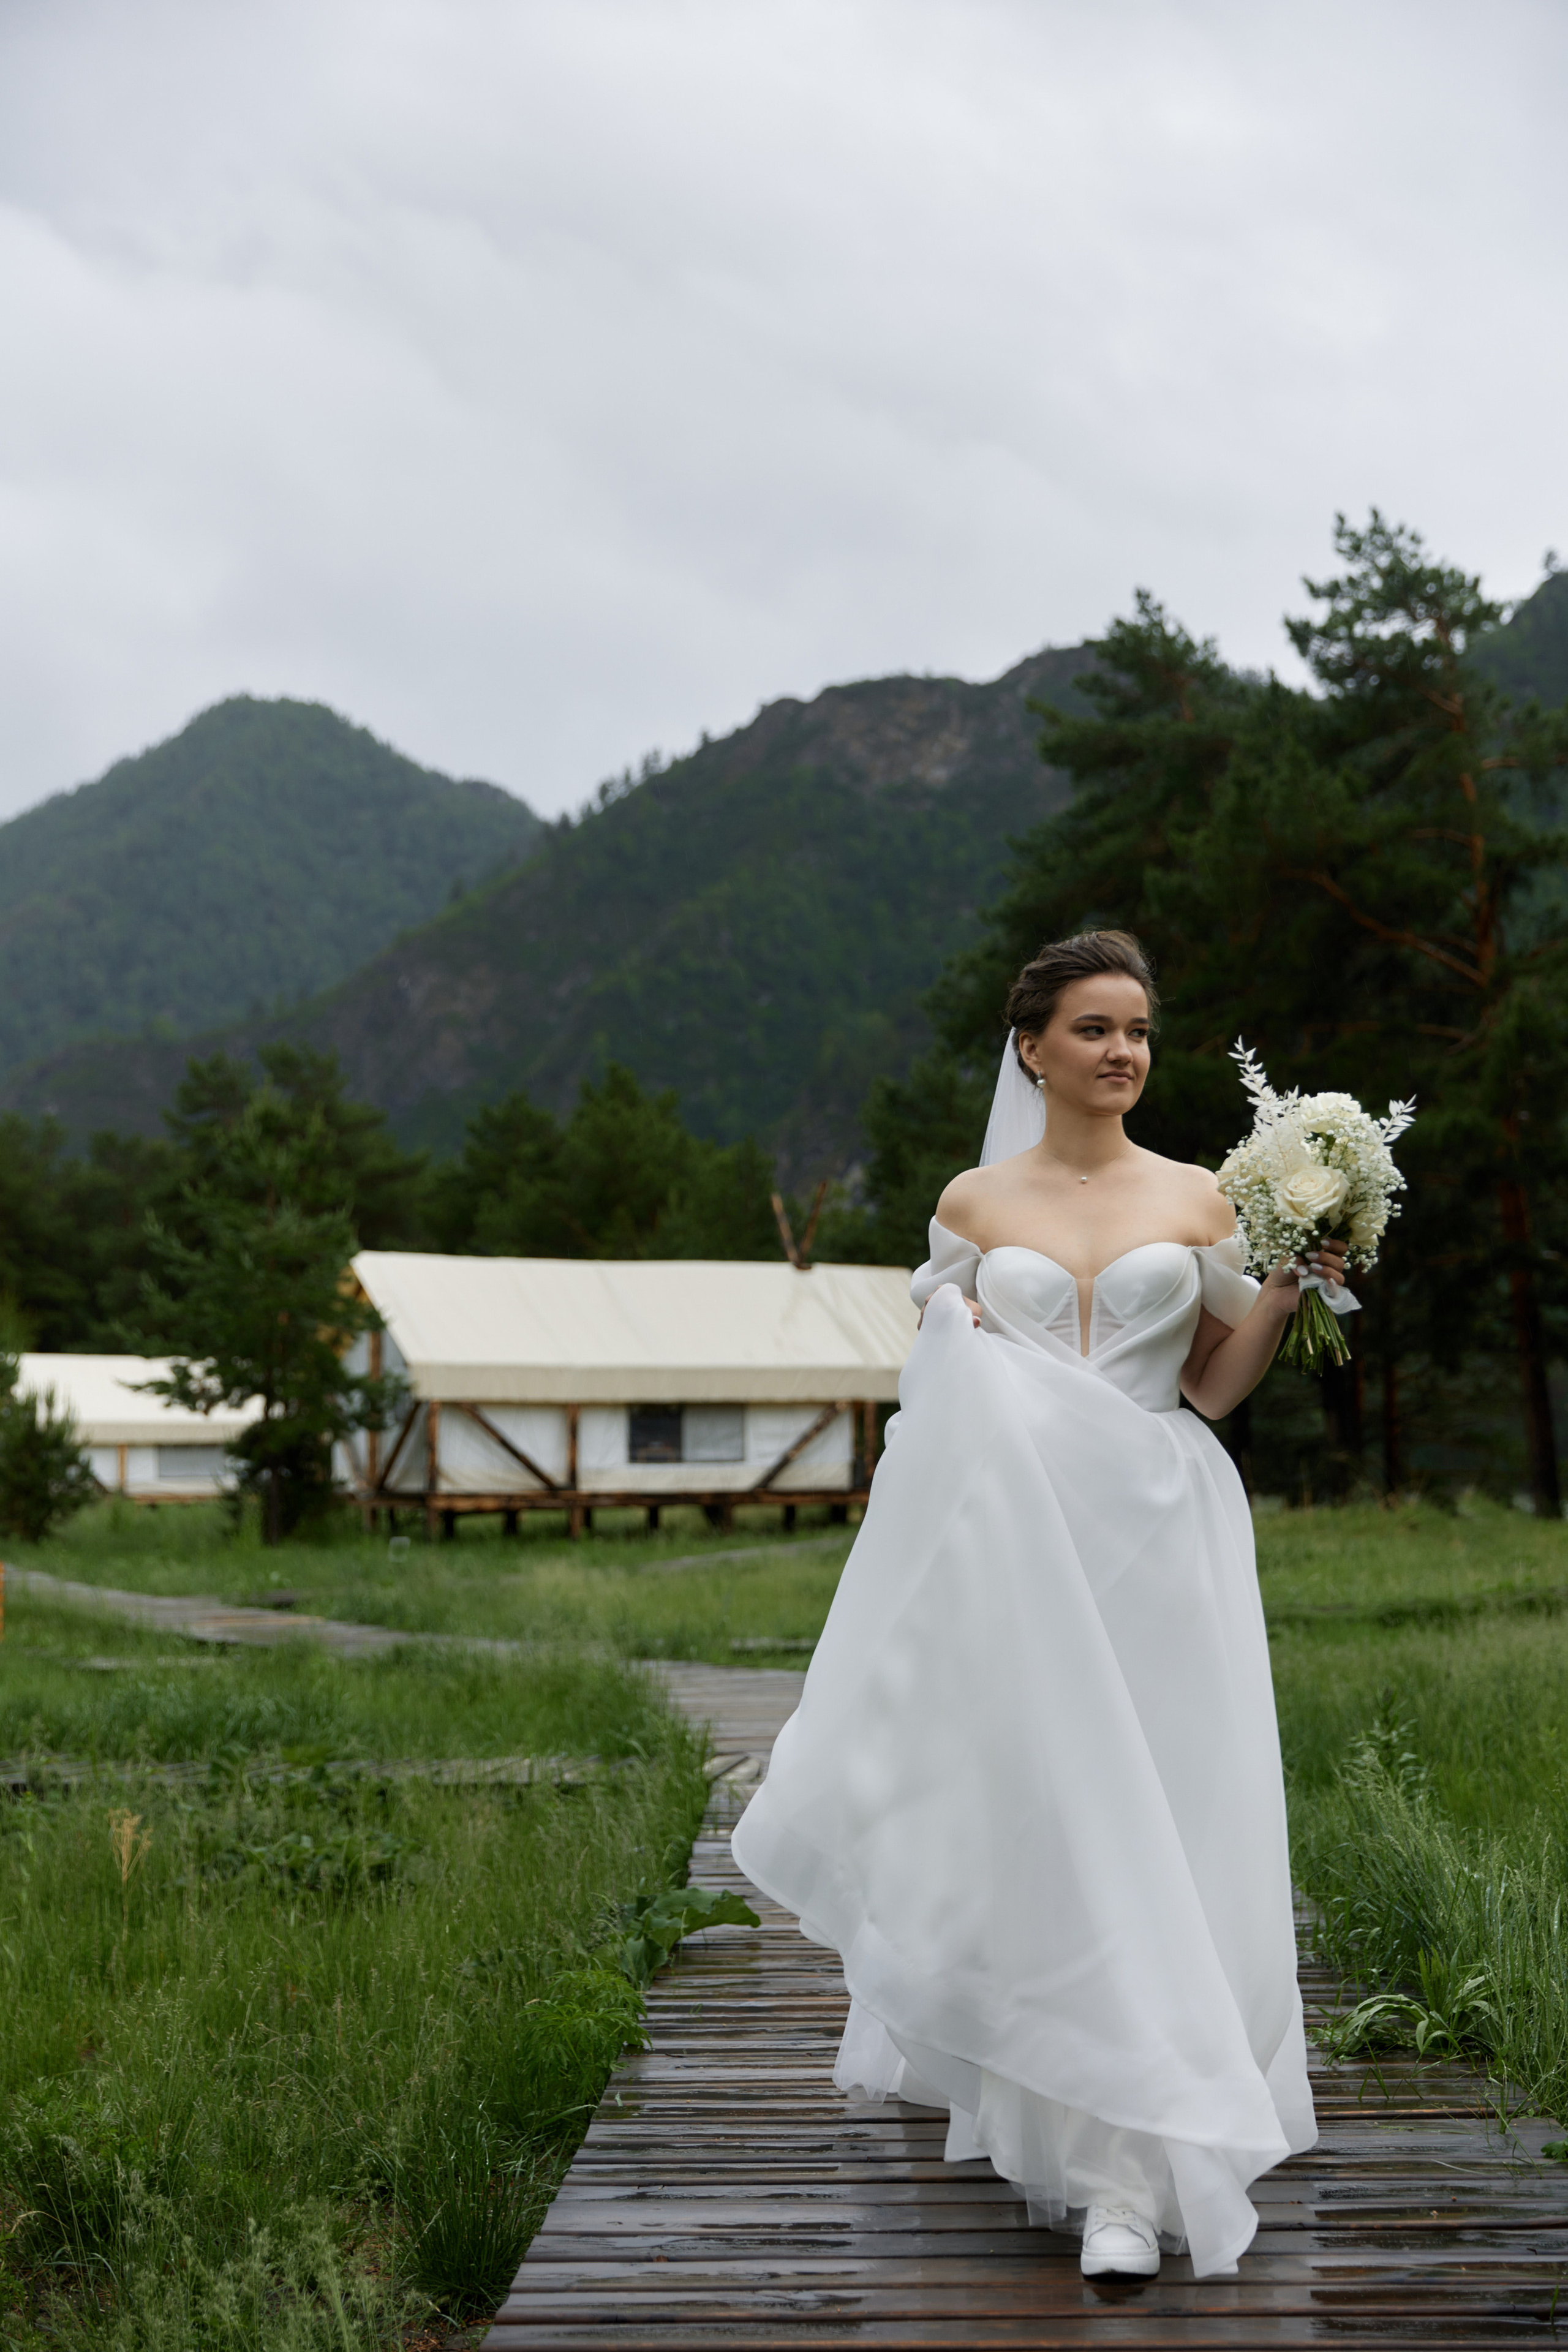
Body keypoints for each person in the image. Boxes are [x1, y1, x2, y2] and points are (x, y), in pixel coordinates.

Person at [731, 929, 1351, 2281]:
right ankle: (1047, 2102)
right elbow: (935, 1396)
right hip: (1018, 1547)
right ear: (1030, 1048)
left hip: (1160, 1534)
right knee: (1039, 1815)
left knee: (1161, 1820)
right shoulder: (970, 1205)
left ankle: (1132, 2174)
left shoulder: (1199, 1200)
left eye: (1134, 1030)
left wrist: (1298, 1271)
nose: (1120, 1050)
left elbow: (1210, 1386)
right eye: (1090, 1028)